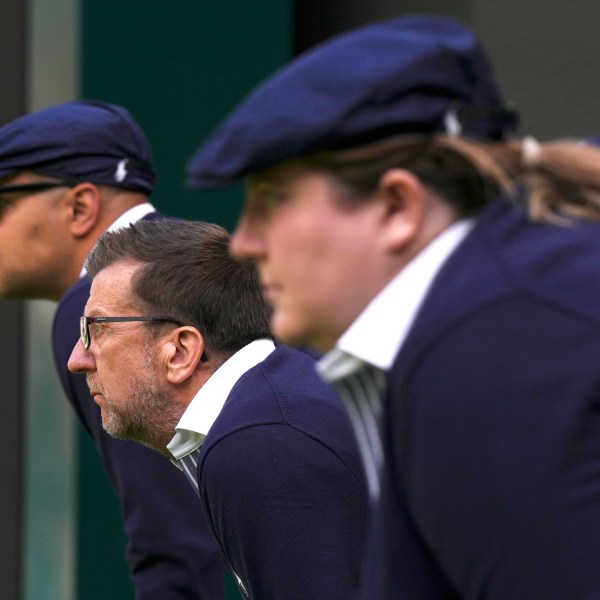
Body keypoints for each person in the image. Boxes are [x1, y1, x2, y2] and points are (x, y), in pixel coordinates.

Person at [185, 14, 600, 600]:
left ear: (397, 207)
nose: (245, 242)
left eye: (271, 201)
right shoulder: (492, 310)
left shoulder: (494, 355)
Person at [66, 218, 368, 600]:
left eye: (96, 328)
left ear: (180, 352)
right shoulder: (266, 414)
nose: (77, 359)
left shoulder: (260, 441)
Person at [0, 100, 224, 599]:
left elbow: (175, 544)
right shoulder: (184, 271)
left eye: (2, 205)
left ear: (80, 207)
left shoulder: (100, 302)